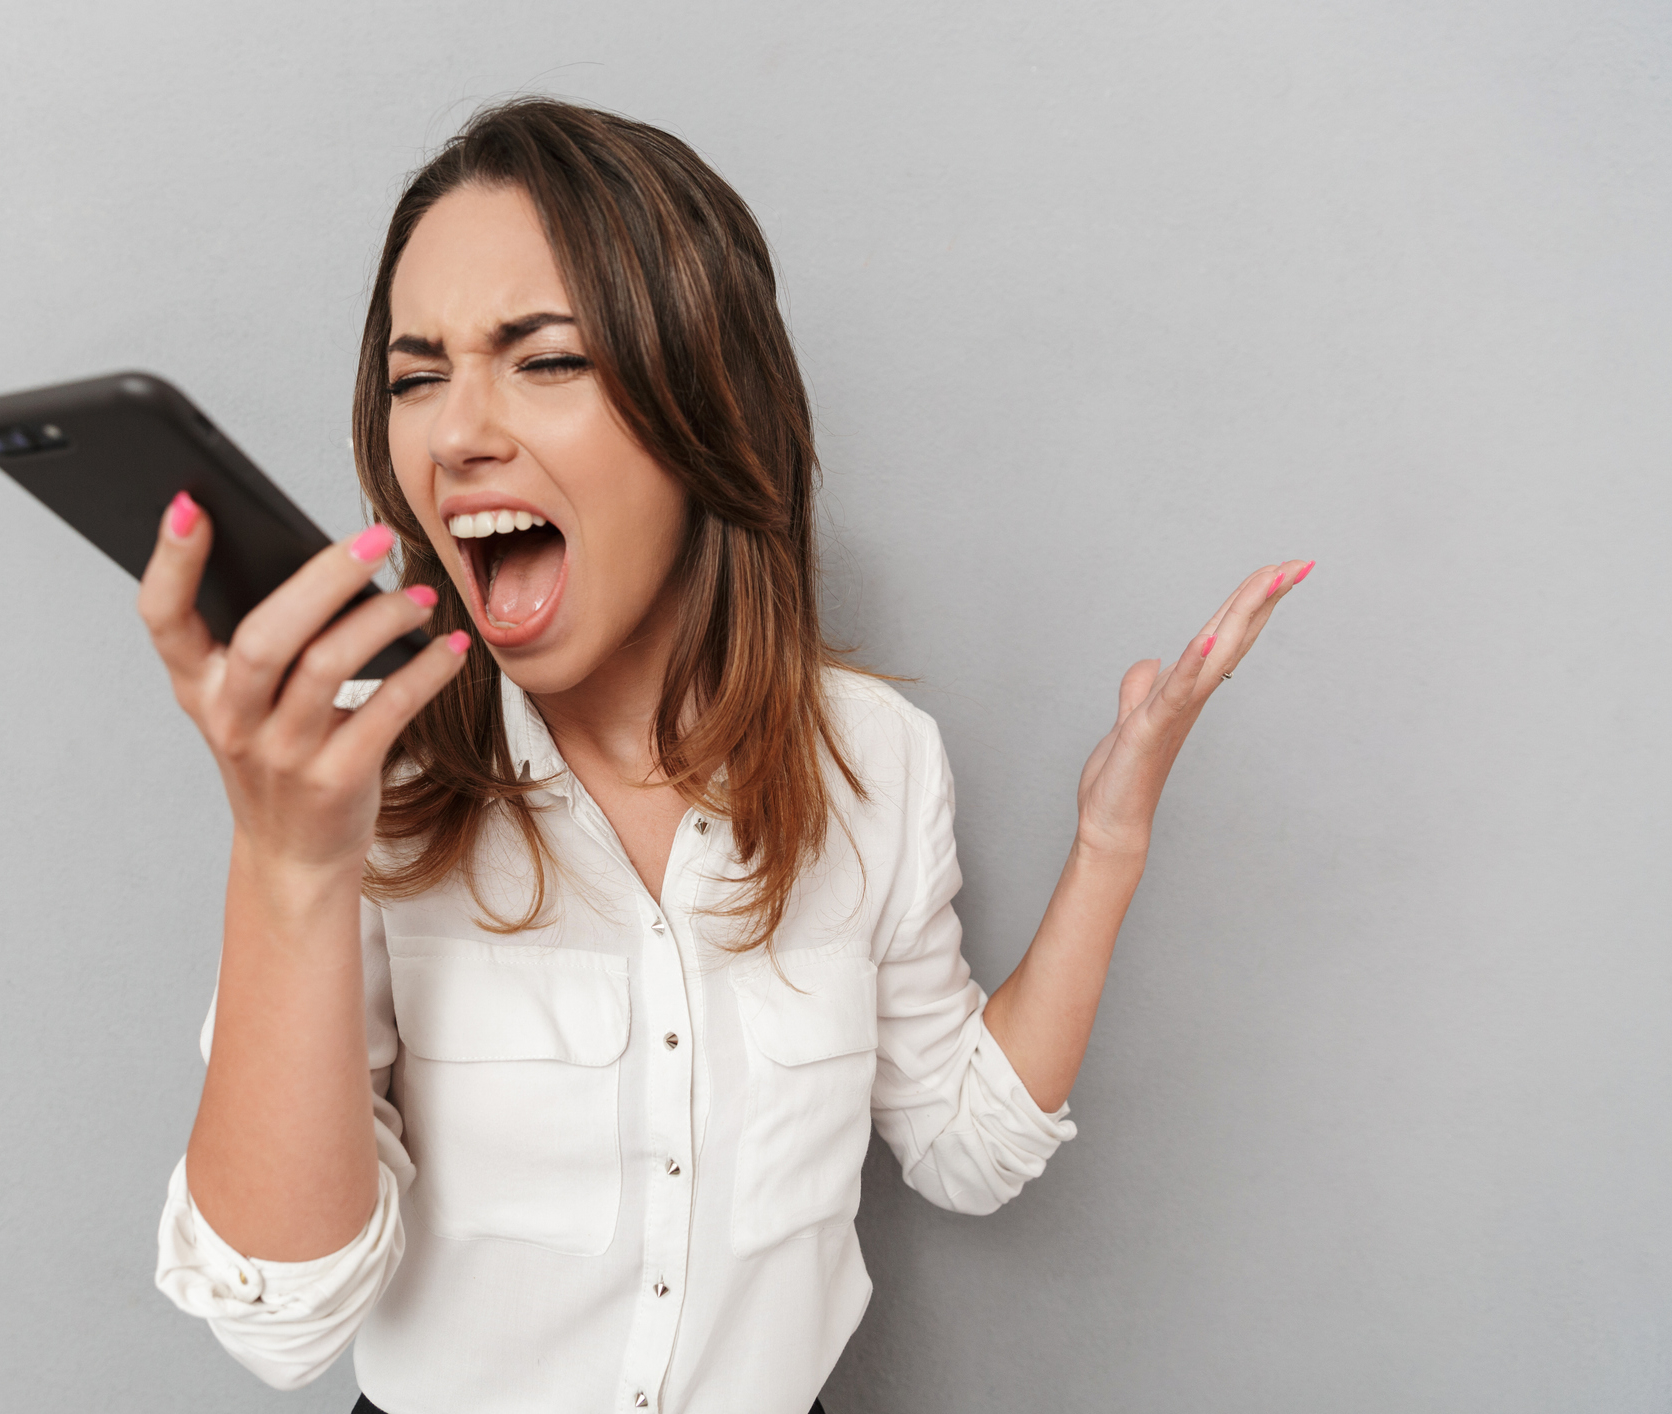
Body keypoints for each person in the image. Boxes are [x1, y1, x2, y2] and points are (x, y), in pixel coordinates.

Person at [145, 98, 1310, 1414]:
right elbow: (280, 1324)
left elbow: (966, 1149)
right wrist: (289, 862)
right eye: (418, 376)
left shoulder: (874, 759)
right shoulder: (363, 781)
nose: (457, 431)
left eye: (544, 359)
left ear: (704, 405)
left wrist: (1107, 845)